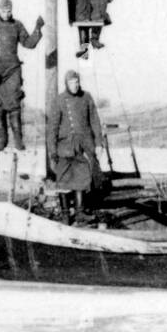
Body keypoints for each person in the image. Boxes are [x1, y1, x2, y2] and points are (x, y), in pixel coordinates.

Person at [0, 0, 43, 151]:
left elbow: (29, 43)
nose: (6, 14)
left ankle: (19, 141)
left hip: (12, 70)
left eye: (9, 11)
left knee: (14, 103)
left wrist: (38, 28)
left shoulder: (17, 25)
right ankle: (3, 140)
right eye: (4, 11)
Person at [46, 69, 105, 222]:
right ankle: (65, 214)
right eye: (72, 82)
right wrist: (52, 151)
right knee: (64, 180)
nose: (75, 85)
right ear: (66, 84)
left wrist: (99, 143)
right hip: (64, 146)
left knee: (81, 178)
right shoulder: (59, 100)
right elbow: (52, 127)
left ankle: (79, 213)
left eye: (77, 82)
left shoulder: (86, 97)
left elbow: (95, 121)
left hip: (83, 145)